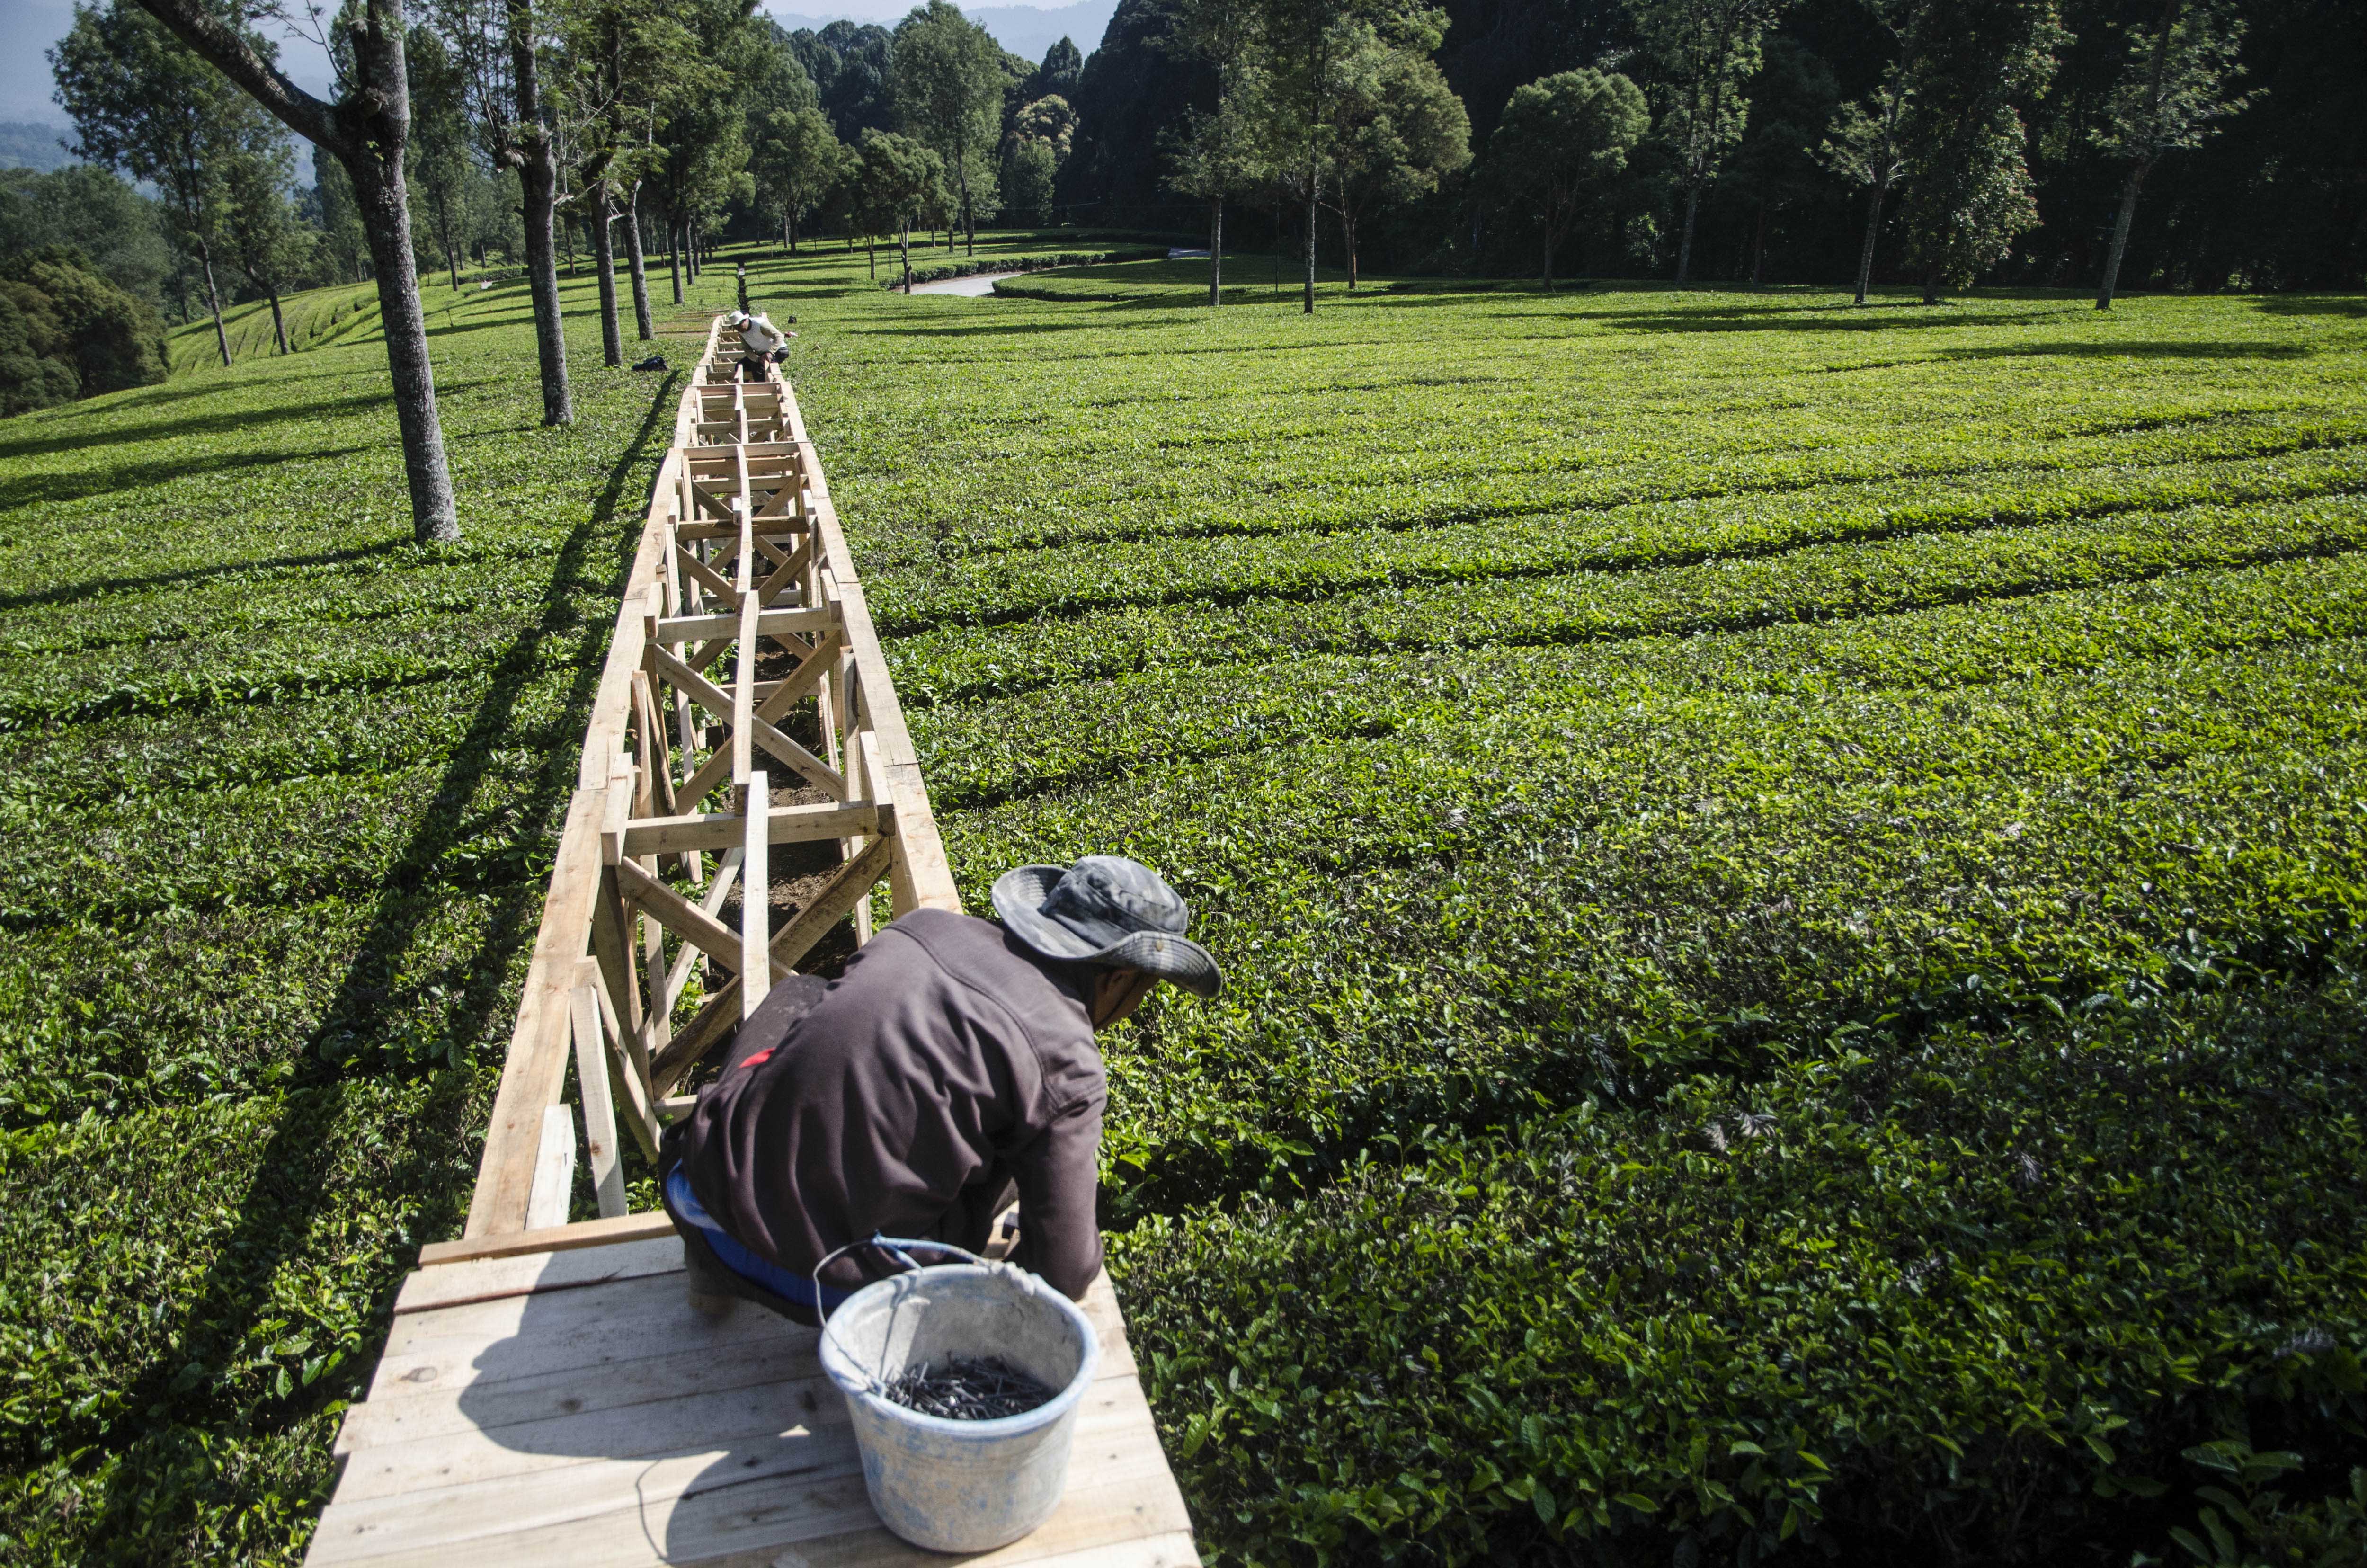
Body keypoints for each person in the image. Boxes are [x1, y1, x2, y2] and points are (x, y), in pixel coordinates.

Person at [660, 855, 1221, 1323]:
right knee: (1013, 1153)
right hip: (841, 1290)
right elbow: (1066, 1271)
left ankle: (710, 1275)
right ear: (1118, 977)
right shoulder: (1067, 1060)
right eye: (1143, 991)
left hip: (706, 1201)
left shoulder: (921, 929)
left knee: (801, 994)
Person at [732, 309, 789, 382]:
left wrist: (770, 352)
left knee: (758, 369)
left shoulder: (760, 325)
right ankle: (745, 389)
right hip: (762, 353)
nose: (739, 330)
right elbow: (747, 349)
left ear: (745, 320)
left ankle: (764, 390)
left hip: (778, 351)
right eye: (736, 328)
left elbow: (779, 337)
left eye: (739, 327)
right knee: (740, 365)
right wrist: (757, 359)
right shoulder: (741, 332)